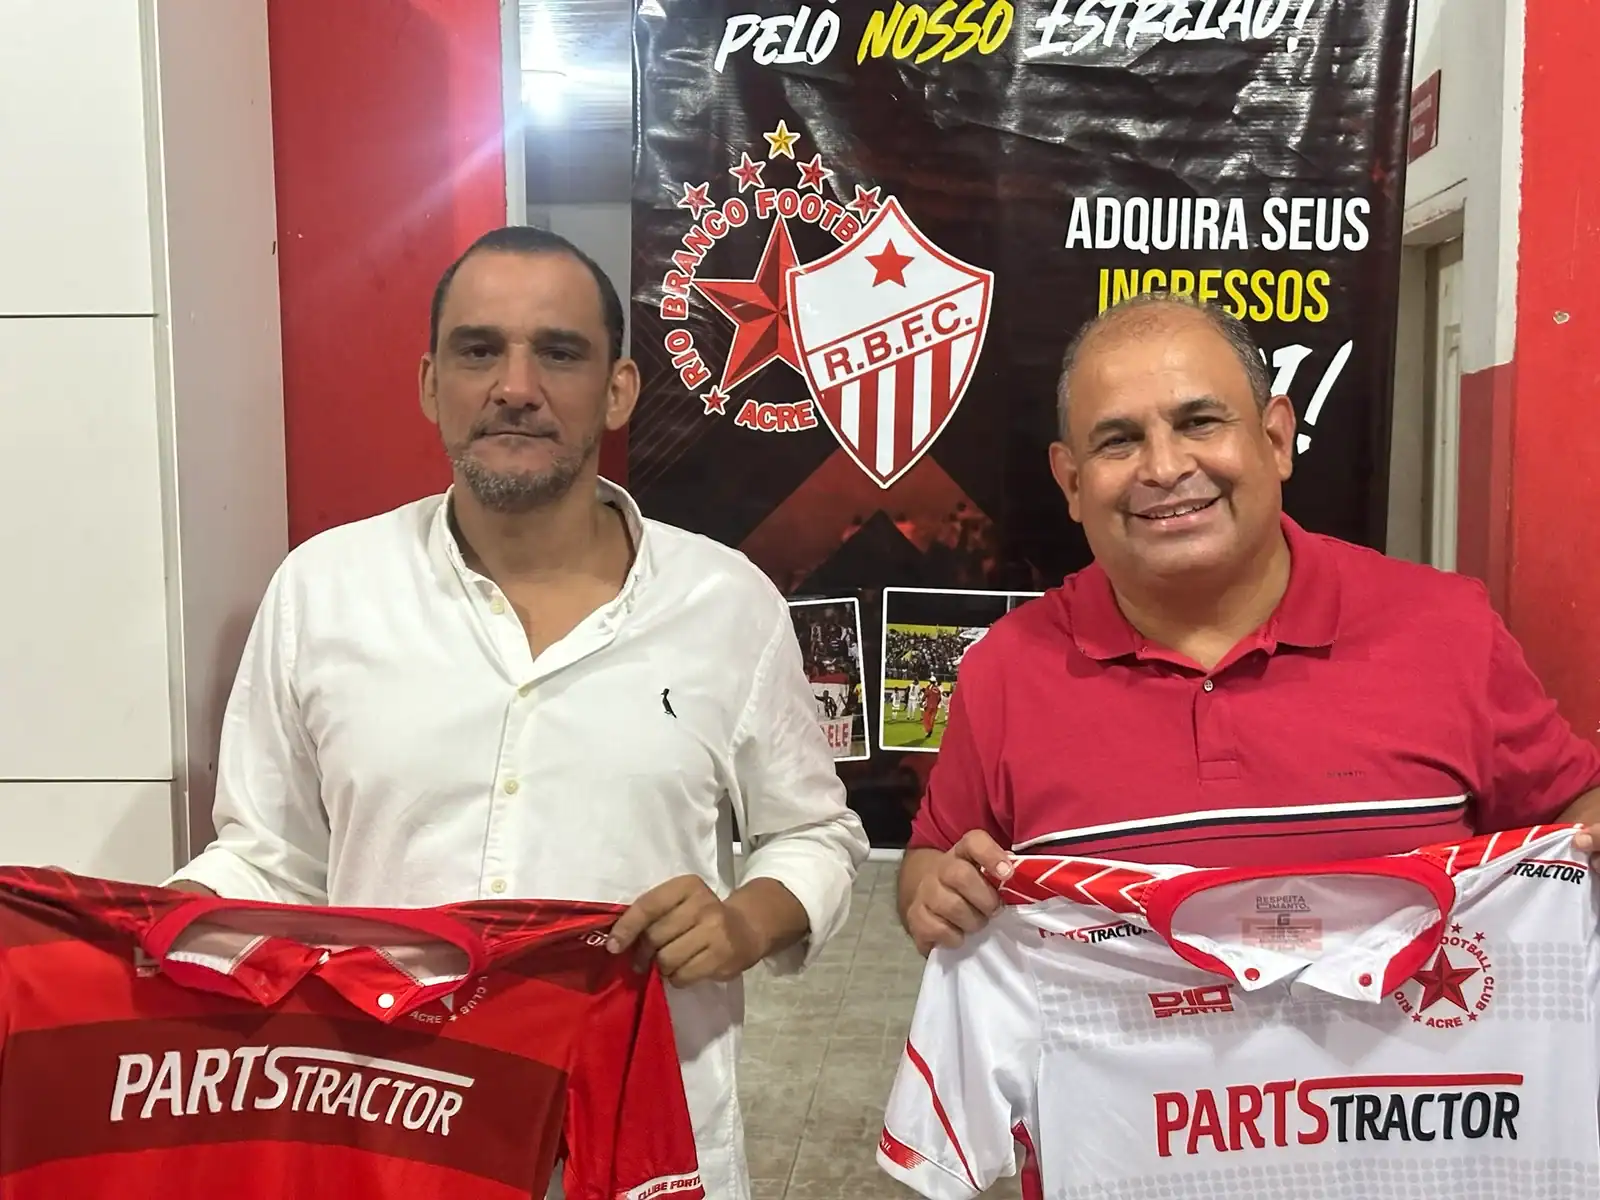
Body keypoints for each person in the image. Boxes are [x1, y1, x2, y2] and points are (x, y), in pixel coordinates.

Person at [165, 225, 869, 1197]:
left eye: (560, 352)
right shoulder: (324, 591)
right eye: (479, 350)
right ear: (430, 384)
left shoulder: (726, 603)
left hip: (645, 1151)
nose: (516, 386)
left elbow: (815, 835)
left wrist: (746, 923)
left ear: (618, 389)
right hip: (387, 1139)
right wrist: (124, 945)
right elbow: (269, 860)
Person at [899, 293, 1600, 955]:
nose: (1164, 467)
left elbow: (1571, 808)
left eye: (1200, 422)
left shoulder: (1447, 626)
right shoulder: (1005, 668)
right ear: (1073, 483)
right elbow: (932, 862)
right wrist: (931, 894)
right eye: (1118, 440)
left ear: (1276, 438)